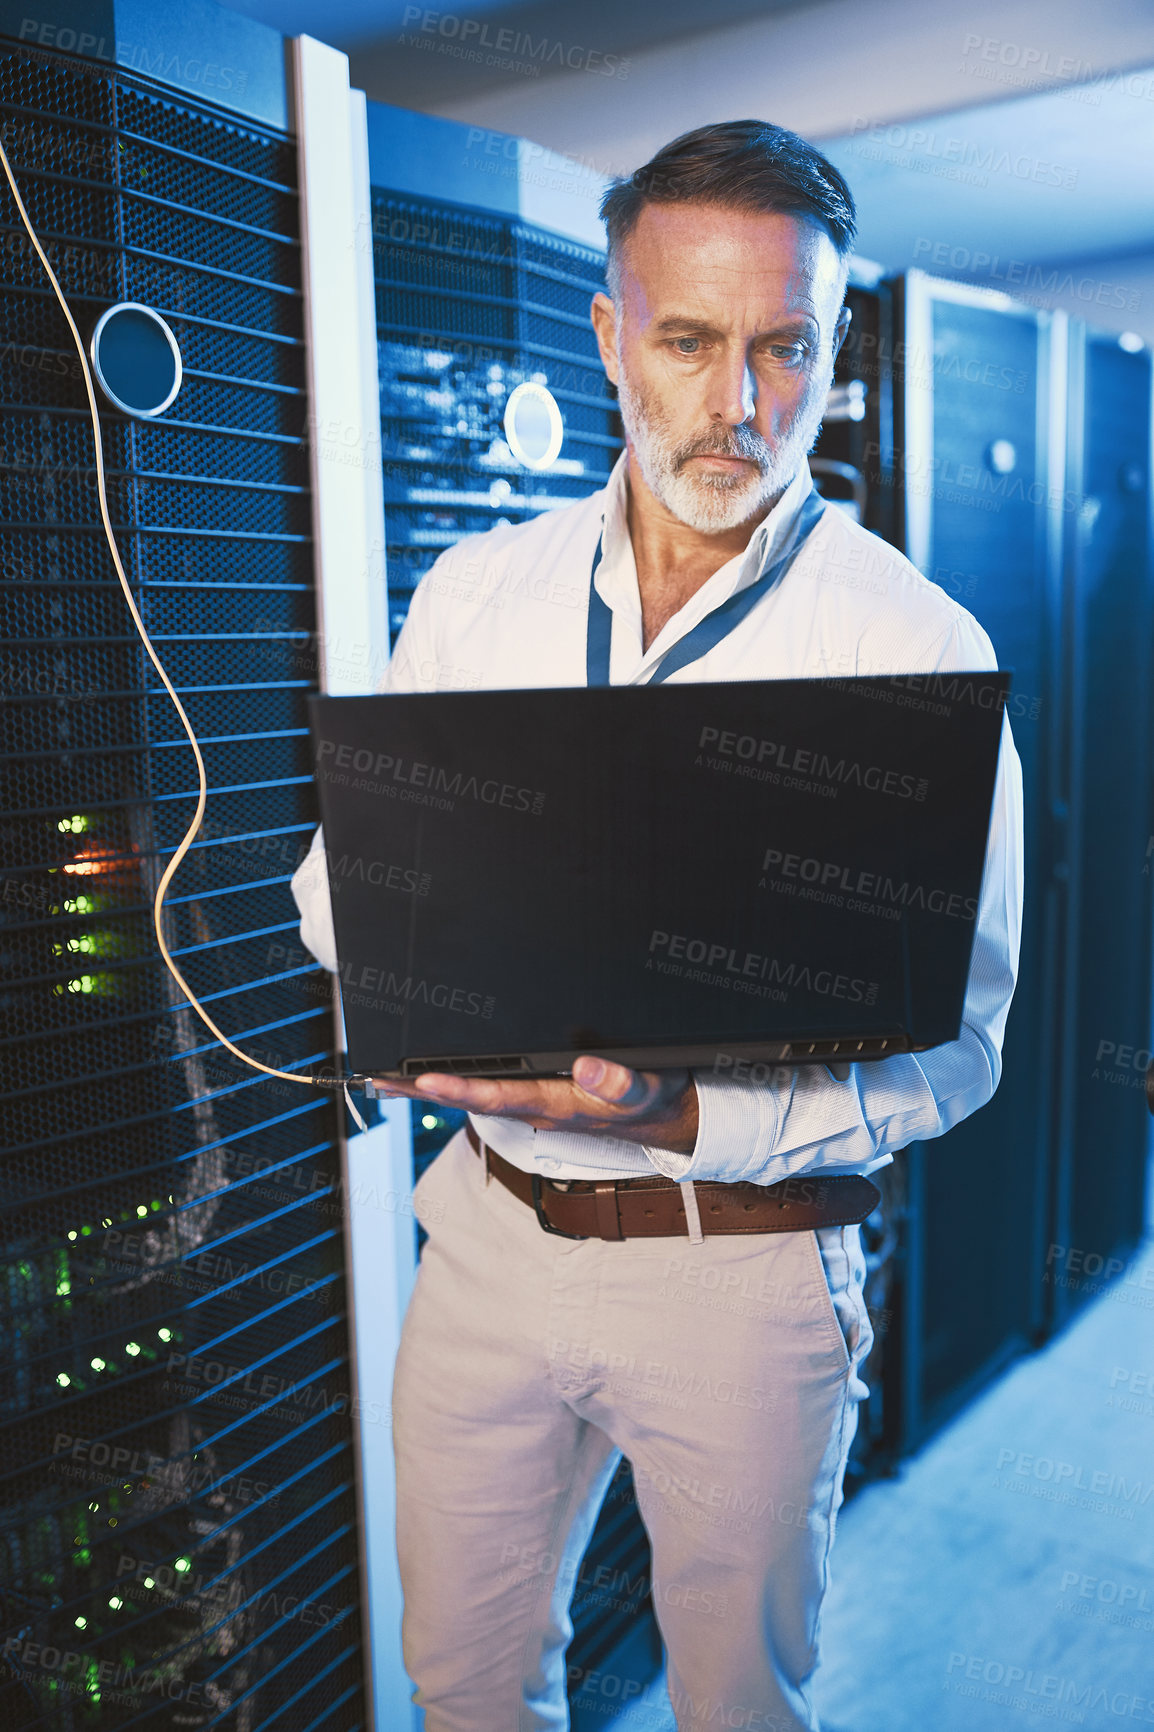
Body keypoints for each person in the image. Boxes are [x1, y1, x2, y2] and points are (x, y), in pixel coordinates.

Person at [291, 119, 1023, 1732]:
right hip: (482, 1232)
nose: (736, 404)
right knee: (465, 1682)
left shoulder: (909, 645)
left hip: (741, 1273)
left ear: (827, 352)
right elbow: (344, 891)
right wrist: (399, 986)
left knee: (736, 1706)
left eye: (781, 348)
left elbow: (960, 1051)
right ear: (612, 331)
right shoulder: (474, 589)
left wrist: (686, 1110)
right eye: (686, 342)